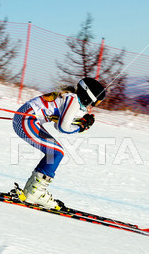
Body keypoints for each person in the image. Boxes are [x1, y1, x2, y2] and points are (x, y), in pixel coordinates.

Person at [12, 77, 106, 210]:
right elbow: (62, 127)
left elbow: (60, 123)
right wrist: (81, 128)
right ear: (87, 96)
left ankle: (32, 192)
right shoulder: (73, 99)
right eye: (94, 102)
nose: (92, 106)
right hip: (26, 120)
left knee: (55, 152)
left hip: (26, 118)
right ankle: (35, 193)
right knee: (56, 153)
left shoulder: (71, 98)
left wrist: (81, 121)